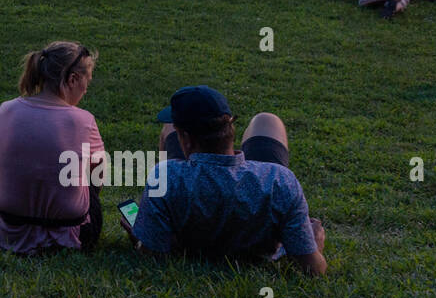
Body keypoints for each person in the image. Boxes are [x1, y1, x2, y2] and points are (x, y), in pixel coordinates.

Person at [126, 86, 327, 276]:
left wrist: (142, 231)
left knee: (170, 123)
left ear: (186, 139)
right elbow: (314, 269)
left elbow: (151, 255)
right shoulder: (280, 180)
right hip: (260, 207)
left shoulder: (165, 176)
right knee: (267, 120)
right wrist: (314, 242)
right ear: (230, 128)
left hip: (185, 210)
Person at [0, 42, 104, 254]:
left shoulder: (6, 110)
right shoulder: (84, 120)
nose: (86, 90)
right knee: (92, 180)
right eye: (87, 82)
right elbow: (98, 176)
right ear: (73, 79)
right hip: (69, 234)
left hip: (8, 229)